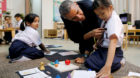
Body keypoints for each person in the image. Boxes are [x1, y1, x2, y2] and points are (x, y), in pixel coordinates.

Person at [84, 0, 124, 77]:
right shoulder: (105, 20)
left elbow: (113, 41)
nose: (101, 17)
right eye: (98, 15)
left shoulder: (114, 20)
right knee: (88, 62)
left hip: (114, 50)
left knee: (103, 66)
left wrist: (107, 67)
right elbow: (104, 35)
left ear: (110, 8)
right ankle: (110, 62)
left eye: (102, 14)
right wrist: (97, 43)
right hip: (103, 49)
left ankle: (119, 60)